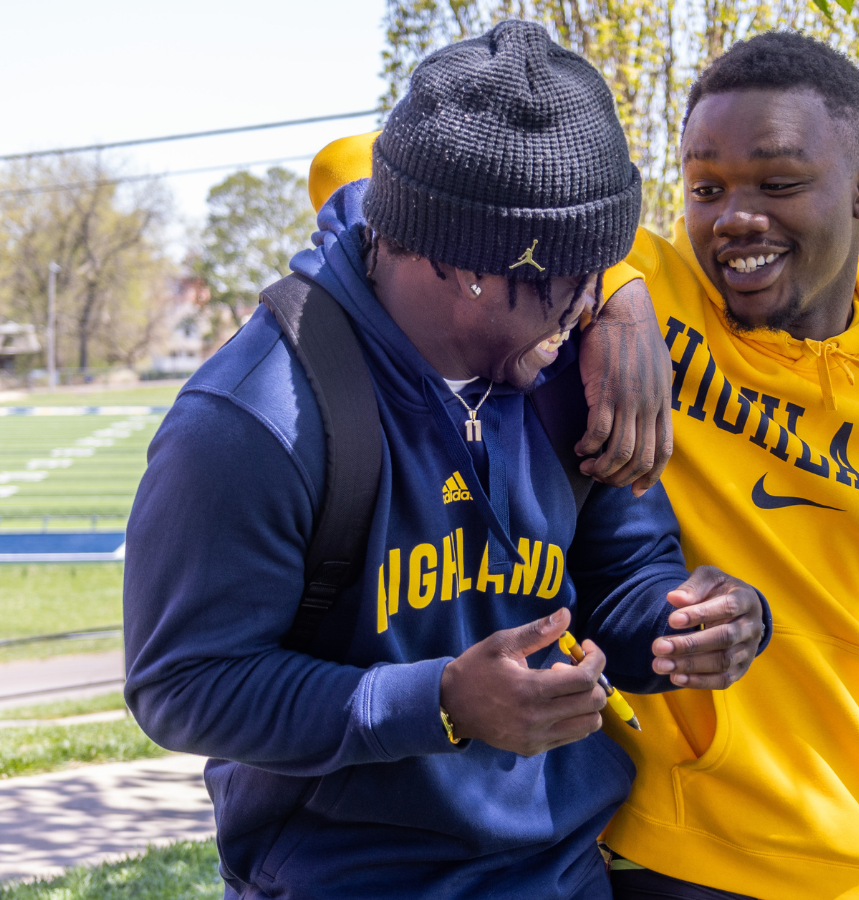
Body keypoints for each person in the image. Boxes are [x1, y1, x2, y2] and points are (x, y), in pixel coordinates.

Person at [312, 30, 859, 900]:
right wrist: (619, 292)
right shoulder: (644, 282)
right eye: (706, 187)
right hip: (671, 850)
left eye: (780, 182)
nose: (735, 214)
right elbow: (355, 171)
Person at [122, 22, 768, 900]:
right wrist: (437, 704)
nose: (596, 304)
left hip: (565, 874)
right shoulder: (253, 418)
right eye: (578, 278)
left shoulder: (577, 366)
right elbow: (184, 683)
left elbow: (624, 575)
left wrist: (692, 626)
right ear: (461, 266)